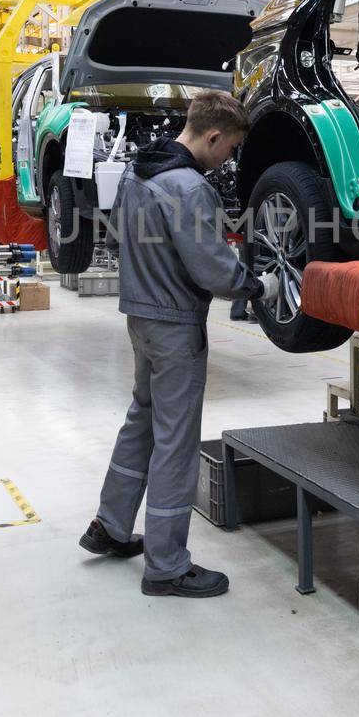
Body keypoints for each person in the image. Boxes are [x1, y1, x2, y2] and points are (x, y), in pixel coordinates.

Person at [81, 90, 277, 598]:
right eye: (229, 148)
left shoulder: (135, 173)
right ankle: (166, 565)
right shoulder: (189, 187)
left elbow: (122, 240)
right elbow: (213, 269)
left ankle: (111, 524)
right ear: (212, 136)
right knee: (176, 442)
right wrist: (258, 286)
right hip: (174, 325)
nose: (228, 159)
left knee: (141, 423)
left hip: (139, 316)